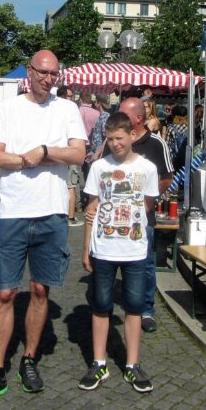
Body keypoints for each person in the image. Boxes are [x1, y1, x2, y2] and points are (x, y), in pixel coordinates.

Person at [0, 49, 86, 408]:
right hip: (14, 211)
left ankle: (29, 359)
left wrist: (41, 151)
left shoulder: (66, 109)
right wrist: (26, 160)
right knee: (5, 292)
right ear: (30, 73)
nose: (48, 80)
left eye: (54, 75)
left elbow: (79, 153)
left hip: (52, 211)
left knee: (40, 290)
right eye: (42, 73)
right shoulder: (9, 108)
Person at [78, 112, 159, 393]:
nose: (114, 144)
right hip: (104, 247)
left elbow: (147, 205)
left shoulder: (147, 169)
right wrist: (87, 247)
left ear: (132, 136)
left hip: (134, 248)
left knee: (134, 307)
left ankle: (132, 364)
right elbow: (91, 209)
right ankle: (99, 362)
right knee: (101, 305)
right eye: (110, 139)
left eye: (119, 138)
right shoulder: (99, 167)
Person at [112, 97, 174, 333]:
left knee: (145, 262)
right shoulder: (117, 141)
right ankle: (107, 306)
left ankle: (146, 309)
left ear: (138, 119)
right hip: (116, 215)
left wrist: (147, 201)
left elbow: (167, 177)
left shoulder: (156, 144)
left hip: (143, 217)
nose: (119, 119)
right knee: (113, 260)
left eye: (124, 115)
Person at [57, 86, 83, 226]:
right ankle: (70, 217)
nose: (71, 98)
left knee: (68, 184)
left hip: (62, 153)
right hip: (66, 153)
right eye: (69, 96)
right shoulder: (70, 111)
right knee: (71, 185)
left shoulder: (53, 110)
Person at [164, 105, 189, 171]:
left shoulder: (171, 128)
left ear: (174, 115)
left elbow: (167, 146)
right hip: (188, 158)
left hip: (175, 160)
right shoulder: (190, 128)